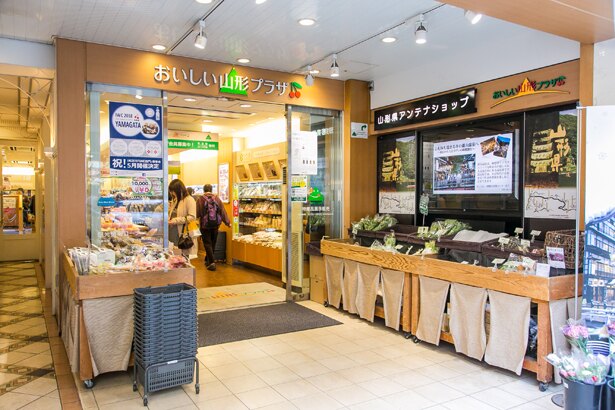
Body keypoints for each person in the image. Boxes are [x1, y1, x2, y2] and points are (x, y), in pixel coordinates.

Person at [197, 184, 230, 271]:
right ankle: (207, 260)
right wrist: (227, 222)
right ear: (211, 190)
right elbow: (222, 211)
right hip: (215, 225)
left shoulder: (200, 199)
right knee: (213, 242)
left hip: (204, 225)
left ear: (204, 190)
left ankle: (211, 262)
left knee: (207, 243)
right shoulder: (217, 199)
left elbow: (197, 213)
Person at [168, 179, 198, 259]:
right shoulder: (176, 200)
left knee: (183, 257)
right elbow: (173, 214)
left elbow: (192, 217)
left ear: (178, 189)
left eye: (173, 191)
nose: (172, 193)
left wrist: (175, 220)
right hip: (173, 233)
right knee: (174, 257)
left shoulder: (189, 200)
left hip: (183, 234)